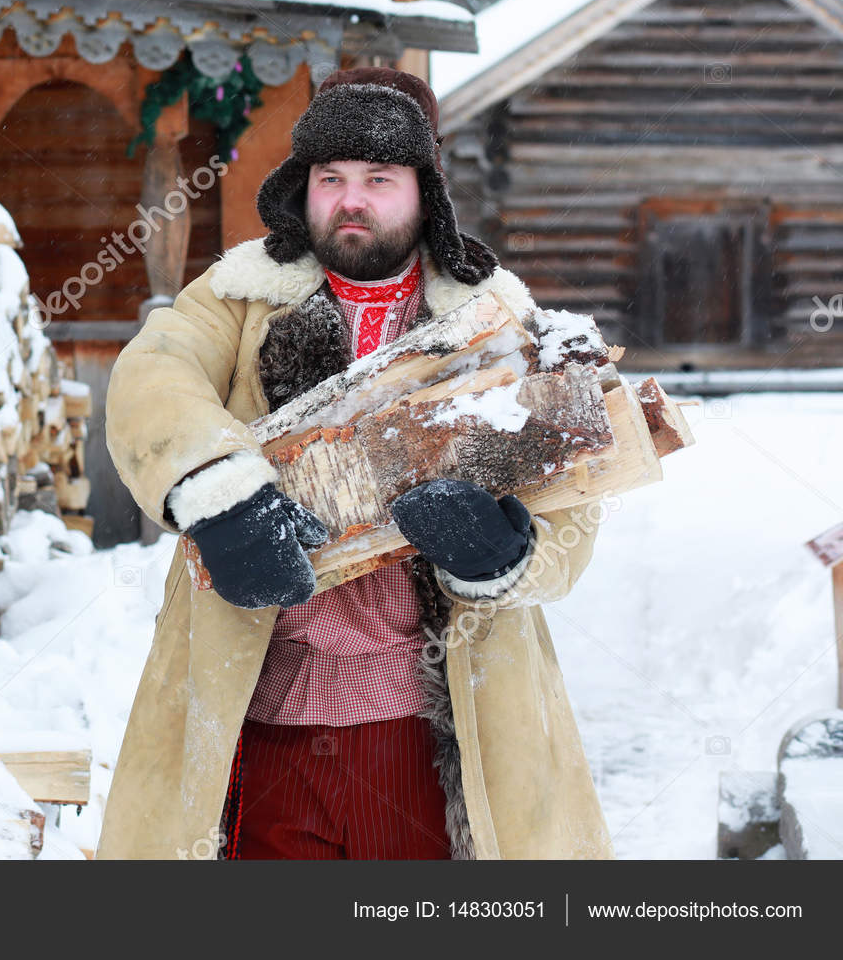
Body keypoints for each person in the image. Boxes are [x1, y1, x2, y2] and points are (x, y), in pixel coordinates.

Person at [99, 67, 613, 861]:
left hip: (432, 724)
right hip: (259, 717)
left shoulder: (496, 321)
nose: (351, 199)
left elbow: (576, 506)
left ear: (425, 191)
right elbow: (153, 376)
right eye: (330, 177)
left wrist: (504, 554)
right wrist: (219, 494)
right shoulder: (237, 296)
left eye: (379, 177)